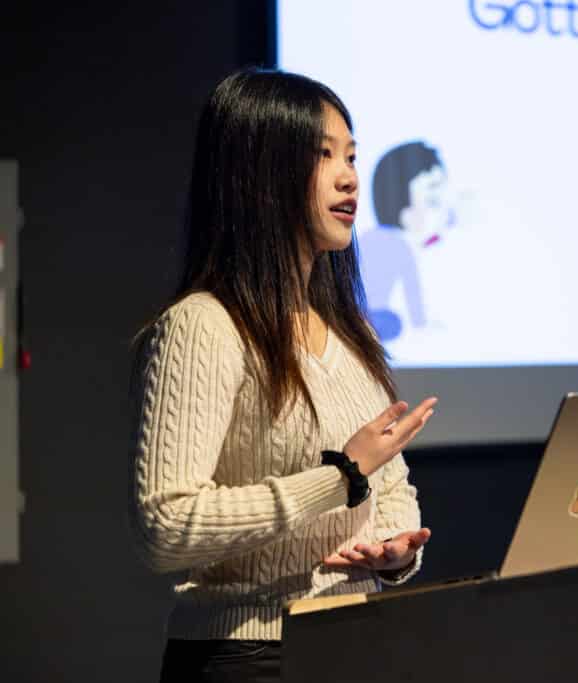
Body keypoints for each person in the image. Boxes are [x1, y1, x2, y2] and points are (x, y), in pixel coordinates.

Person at [129, 69, 436, 682]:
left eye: (351, 155)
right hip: (246, 657)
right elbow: (164, 525)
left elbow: (391, 485)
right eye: (323, 156)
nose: (350, 176)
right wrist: (337, 476)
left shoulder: (350, 334)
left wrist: (394, 551)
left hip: (353, 639)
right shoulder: (203, 326)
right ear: (260, 175)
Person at [359, 141, 454, 341]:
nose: (446, 214)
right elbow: (413, 294)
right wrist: (422, 325)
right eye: (433, 201)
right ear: (403, 211)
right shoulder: (396, 245)